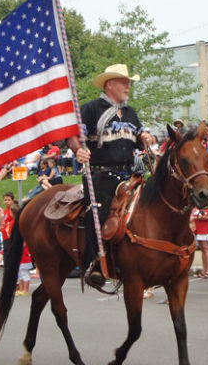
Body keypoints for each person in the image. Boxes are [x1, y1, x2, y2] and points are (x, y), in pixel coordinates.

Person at [69, 63, 150, 288]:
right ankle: (94, 263)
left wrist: (145, 137)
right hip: (99, 175)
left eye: (128, 82)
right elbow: (74, 135)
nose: (128, 86)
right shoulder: (91, 108)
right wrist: (79, 150)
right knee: (99, 210)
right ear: (109, 85)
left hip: (129, 174)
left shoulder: (130, 112)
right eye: (124, 82)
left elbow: (138, 134)